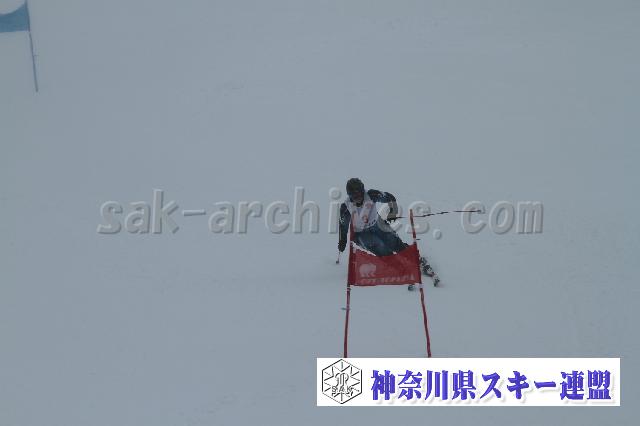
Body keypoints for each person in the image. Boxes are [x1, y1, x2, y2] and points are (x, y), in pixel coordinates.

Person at [338, 178, 437, 286]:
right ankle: (398, 266)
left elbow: (390, 198)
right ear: (349, 195)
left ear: (363, 191)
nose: (358, 198)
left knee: (393, 242)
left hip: (377, 224)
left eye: (359, 194)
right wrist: (342, 242)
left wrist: (392, 213)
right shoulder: (346, 207)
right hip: (361, 233)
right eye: (354, 196)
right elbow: (343, 226)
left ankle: (416, 259)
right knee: (380, 247)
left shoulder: (371, 195)